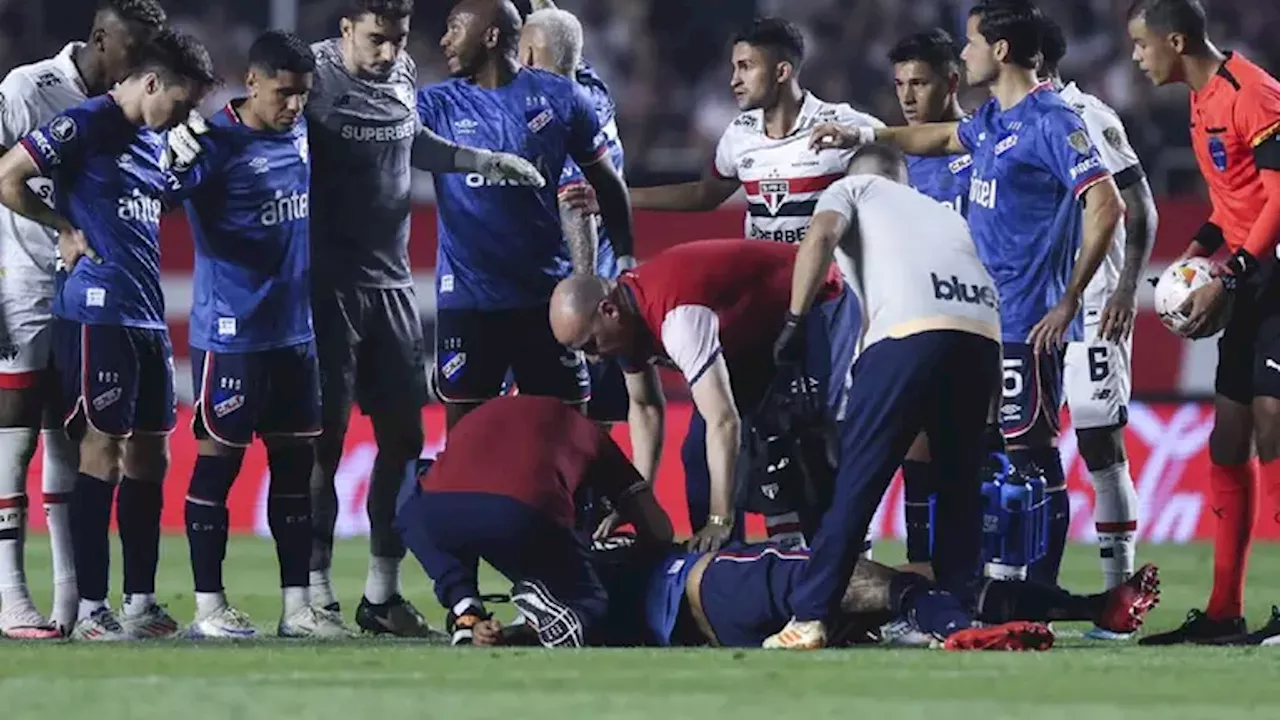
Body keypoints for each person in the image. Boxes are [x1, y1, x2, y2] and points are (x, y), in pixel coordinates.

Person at [808, 0, 1125, 588]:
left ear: (1000, 51)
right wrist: (866, 132)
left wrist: (1067, 300)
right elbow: (940, 136)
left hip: (1029, 320)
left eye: (971, 43)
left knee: (1028, 461)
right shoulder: (994, 121)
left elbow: (1106, 203)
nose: (965, 52)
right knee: (972, 461)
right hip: (983, 320)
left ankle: (1038, 592)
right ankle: (975, 586)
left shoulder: (1053, 121)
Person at [304, 0, 543, 636]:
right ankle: (315, 598)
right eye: (377, 40)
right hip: (326, 288)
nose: (388, 55)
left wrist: (480, 161)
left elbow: (415, 145)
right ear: (346, 30)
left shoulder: (405, 73)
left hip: (392, 285)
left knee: (405, 443)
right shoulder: (313, 76)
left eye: (398, 41)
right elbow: (257, 124)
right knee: (321, 447)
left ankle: (381, 596)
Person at [0, 28, 216, 641]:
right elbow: (8, 175)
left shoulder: (154, 140)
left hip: (146, 315)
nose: (183, 114)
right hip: (97, 313)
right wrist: (63, 226)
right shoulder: (84, 125)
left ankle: (140, 601)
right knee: (102, 448)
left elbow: (153, 203)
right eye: (180, 102)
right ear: (151, 83)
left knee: (153, 455)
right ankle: (92, 608)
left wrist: (188, 164)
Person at [761, 144, 1003, 650]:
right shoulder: (941, 213)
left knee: (857, 483)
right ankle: (955, 616)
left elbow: (821, 235)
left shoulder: (852, 188)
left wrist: (794, 319)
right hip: (981, 338)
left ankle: (809, 616)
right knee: (958, 486)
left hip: (910, 337)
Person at [169, 31, 350, 640]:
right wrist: (170, 155)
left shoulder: (300, 132)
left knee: (295, 471)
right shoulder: (213, 142)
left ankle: (297, 609)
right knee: (218, 467)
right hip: (232, 335)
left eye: (302, 95)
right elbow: (164, 194)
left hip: (294, 334)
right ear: (252, 82)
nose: (294, 106)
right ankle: (208, 606)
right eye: (283, 93)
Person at [1125, 0, 1280, 647]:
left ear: (1177, 39)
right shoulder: (1201, 100)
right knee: (1229, 437)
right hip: (1250, 277)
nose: (1136, 57)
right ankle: (1224, 612)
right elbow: (1234, 199)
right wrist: (1198, 254)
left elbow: (1278, 195)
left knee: (1273, 428)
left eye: (1141, 44)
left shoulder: (1255, 92)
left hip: (1274, 274)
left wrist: (1234, 269)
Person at [548, 239, 858, 551]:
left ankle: (844, 556)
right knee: (697, 455)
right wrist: (634, 503)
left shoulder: (679, 319)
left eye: (590, 345)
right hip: (750, 331)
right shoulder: (624, 320)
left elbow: (723, 421)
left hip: (815, 300)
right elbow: (645, 408)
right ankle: (717, 568)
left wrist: (719, 520)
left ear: (609, 311)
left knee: (808, 443)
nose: (593, 359)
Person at [420, 0, 633, 433]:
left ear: (491, 36)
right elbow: (394, 144)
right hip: (468, 303)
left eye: (454, 29)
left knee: (567, 436)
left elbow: (607, 184)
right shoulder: (435, 104)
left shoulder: (561, 98)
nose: (444, 40)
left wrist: (624, 259)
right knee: (468, 442)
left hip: (546, 302)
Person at [463, 536, 1159, 651]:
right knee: (898, 589)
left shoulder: (582, 583)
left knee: (903, 592)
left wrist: (507, 634)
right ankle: (955, 632)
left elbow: (574, 625)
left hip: (711, 615)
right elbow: (573, 616)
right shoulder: (581, 566)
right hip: (719, 584)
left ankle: (1089, 607)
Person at [1038, 16, 1159, 641]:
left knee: (1098, 448)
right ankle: (1028, 591)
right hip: (1033, 304)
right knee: (1025, 450)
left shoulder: (1088, 115)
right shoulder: (1010, 121)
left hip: (1092, 310)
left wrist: (1125, 287)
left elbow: (1140, 207)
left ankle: (1121, 602)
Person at [394, 394, 673, 648]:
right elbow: (660, 530)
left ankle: (467, 613)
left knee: (412, 493)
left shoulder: (498, 410)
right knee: (589, 601)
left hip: (436, 510)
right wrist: (630, 530)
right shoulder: (594, 437)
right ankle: (547, 611)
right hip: (520, 511)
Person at [624, 17, 882, 243]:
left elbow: (903, 157)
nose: (734, 80)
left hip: (826, 286)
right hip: (762, 283)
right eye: (735, 68)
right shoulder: (739, 132)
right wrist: (620, 196)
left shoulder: (843, 124)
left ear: (782, 72)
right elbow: (706, 194)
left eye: (746, 67)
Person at [518, 2, 634, 428]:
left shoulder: (554, 113)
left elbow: (575, 201)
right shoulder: (592, 87)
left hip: (581, 300)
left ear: (527, 55)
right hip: (611, 291)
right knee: (601, 424)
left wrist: (582, 286)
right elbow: (560, 32)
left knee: (565, 423)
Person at [885, 28, 973, 579]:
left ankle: (991, 571)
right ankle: (922, 570)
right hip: (917, 317)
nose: (908, 96)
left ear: (951, 82)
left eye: (920, 82)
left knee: (984, 452)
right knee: (915, 450)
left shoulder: (980, 145)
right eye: (900, 84)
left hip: (983, 318)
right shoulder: (895, 160)